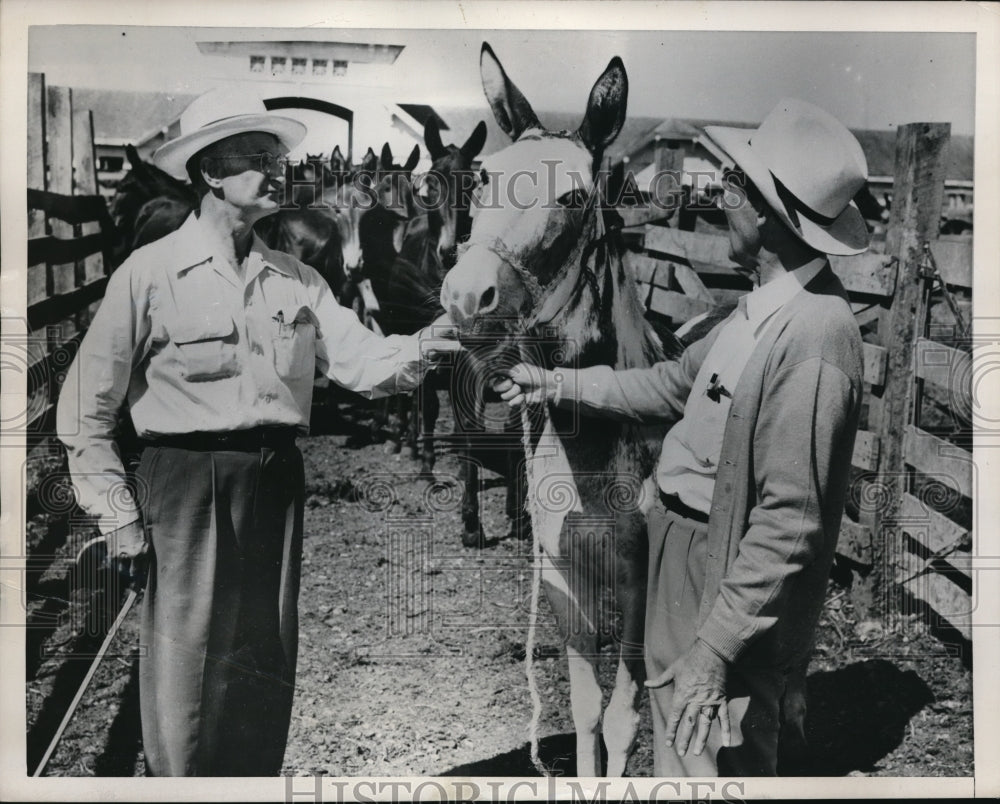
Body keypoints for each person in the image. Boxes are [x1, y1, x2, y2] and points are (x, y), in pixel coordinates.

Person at [56, 89, 458, 776]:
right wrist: (119, 515)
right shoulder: (150, 274)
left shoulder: (295, 278)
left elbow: (364, 364)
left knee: (261, 670)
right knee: (186, 682)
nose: (278, 173)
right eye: (257, 159)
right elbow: (85, 414)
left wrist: (435, 339)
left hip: (275, 486)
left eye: (278, 158)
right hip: (184, 486)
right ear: (211, 172)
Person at [496, 98, 867, 776]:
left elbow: (789, 521)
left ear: (768, 213)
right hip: (676, 550)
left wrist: (716, 649)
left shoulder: (816, 335)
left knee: (715, 757)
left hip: (721, 572)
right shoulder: (754, 312)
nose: (722, 197)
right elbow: (669, 385)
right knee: (674, 746)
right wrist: (556, 385)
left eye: (734, 186)